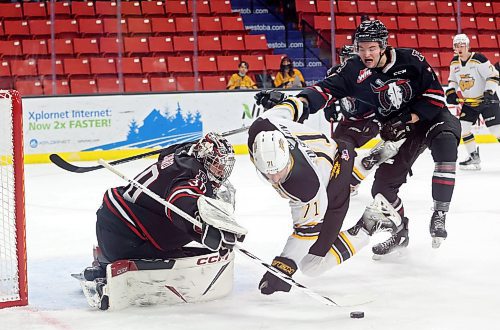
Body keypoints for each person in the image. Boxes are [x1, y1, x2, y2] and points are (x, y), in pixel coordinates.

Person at [259, 20, 461, 254]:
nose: (366, 53)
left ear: (383, 46)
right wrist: (293, 102)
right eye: (361, 48)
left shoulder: (411, 59)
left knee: (446, 140)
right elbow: (323, 90)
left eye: (372, 48)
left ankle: (440, 212)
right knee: (382, 189)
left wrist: (408, 119)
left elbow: (435, 96)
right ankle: (400, 232)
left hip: (431, 118)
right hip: (401, 133)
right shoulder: (353, 70)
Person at [248, 95, 395, 295]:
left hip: (333, 179)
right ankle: (367, 162)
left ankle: (370, 224)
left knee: (311, 265)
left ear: (287, 157)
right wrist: (301, 103)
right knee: (333, 172)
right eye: (267, 172)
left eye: (279, 172)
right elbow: (291, 107)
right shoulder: (262, 126)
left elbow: (306, 233)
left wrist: (283, 267)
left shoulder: (305, 186)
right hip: (336, 149)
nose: (274, 178)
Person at [86, 132, 241, 275]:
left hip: (112, 220)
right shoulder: (197, 175)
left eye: (223, 166)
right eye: (217, 164)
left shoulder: (179, 154)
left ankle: (112, 258)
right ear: (204, 158)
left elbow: (165, 152)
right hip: (128, 240)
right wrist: (201, 228)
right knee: (180, 220)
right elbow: (179, 199)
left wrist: (196, 144)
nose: (221, 172)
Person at [324, 44, 402, 196]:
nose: (347, 62)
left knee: (346, 146)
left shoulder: (370, 75)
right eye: (344, 59)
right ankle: (344, 180)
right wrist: (329, 108)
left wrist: (380, 119)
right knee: (333, 150)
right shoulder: (334, 73)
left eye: (350, 59)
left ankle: (352, 182)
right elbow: (329, 92)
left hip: (367, 119)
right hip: (346, 119)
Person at [445, 34, 500, 170]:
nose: (459, 48)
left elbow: (493, 76)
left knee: (496, 131)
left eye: (462, 45)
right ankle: (473, 156)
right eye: (457, 45)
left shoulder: (478, 59)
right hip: (470, 103)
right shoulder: (454, 62)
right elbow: (453, 80)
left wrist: (489, 92)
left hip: (487, 101)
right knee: (463, 128)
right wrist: (451, 91)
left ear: (468, 46)